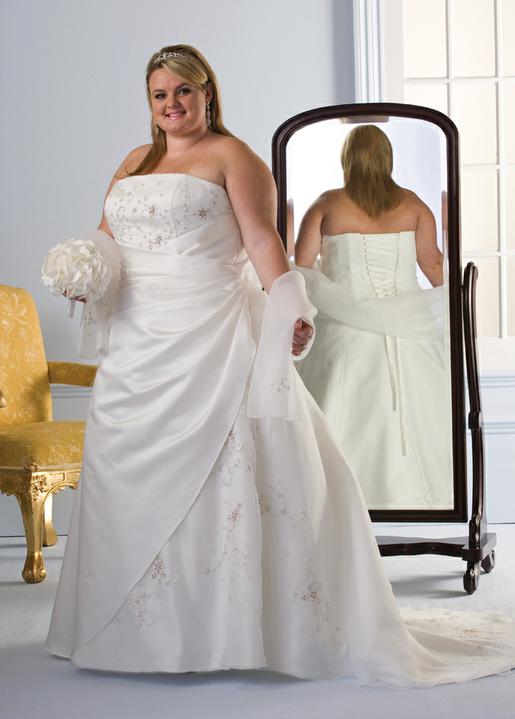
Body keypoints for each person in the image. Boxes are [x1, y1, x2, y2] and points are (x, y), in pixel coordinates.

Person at [45, 45, 515, 687]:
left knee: (223, 470)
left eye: (184, 91)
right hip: (138, 338)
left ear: (207, 93)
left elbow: (264, 241)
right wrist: (84, 273)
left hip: (209, 333)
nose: (172, 105)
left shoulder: (234, 157)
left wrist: (290, 307)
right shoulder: (134, 161)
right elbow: (107, 235)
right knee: (123, 469)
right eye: (160, 95)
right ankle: (129, 628)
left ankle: (223, 630)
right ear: (149, 103)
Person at [295, 125, 453, 510]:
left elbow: (300, 268)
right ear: (387, 158)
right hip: (407, 330)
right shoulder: (414, 205)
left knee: (338, 410)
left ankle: (337, 505)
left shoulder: (326, 205)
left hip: (343, 328)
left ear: (347, 159)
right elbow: (434, 267)